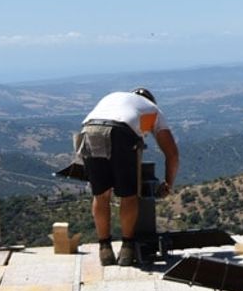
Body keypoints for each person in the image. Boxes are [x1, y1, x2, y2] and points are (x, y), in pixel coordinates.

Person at [75, 87, 180, 266]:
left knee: (100, 195)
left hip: (88, 131)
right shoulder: (153, 109)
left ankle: (105, 249)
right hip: (120, 132)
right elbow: (172, 154)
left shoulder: (114, 96)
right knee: (128, 196)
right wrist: (168, 183)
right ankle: (127, 248)